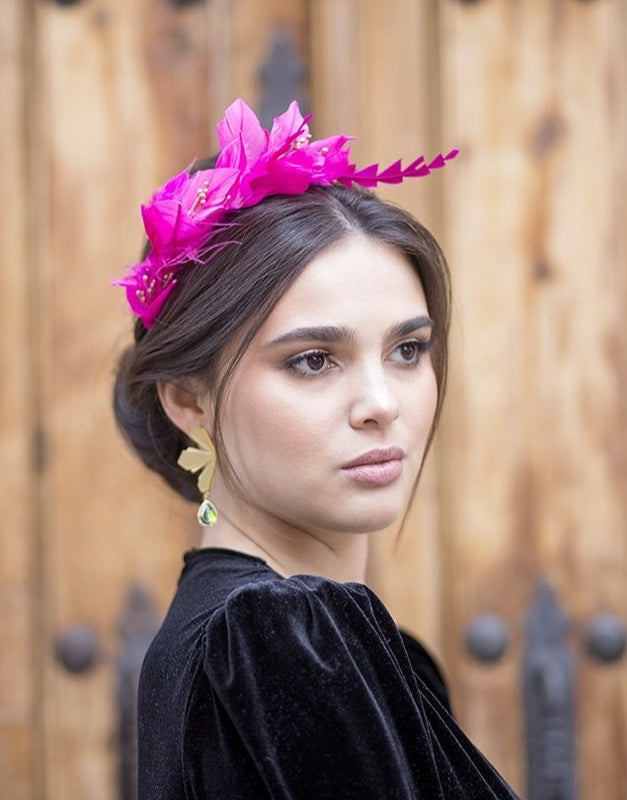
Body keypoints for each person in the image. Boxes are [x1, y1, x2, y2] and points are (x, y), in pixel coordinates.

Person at [113, 98, 519, 799]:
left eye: (408, 349)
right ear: (188, 399)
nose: (382, 404)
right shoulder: (277, 644)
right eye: (312, 360)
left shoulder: (282, 640)